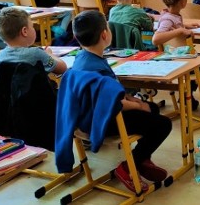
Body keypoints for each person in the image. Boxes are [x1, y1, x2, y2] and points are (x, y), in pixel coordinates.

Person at [71, 10, 171, 192]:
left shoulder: (83, 58)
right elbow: (114, 105)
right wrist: (138, 105)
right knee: (163, 124)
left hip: (83, 120)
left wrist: (136, 102)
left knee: (153, 109)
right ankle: (128, 166)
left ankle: (141, 159)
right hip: (103, 122)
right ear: (104, 34)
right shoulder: (97, 68)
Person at [0, 7, 67, 74]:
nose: (34, 29)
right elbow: (63, 68)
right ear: (24, 31)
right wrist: (49, 54)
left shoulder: (0, 55)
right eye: (32, 26)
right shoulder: (36, 53)